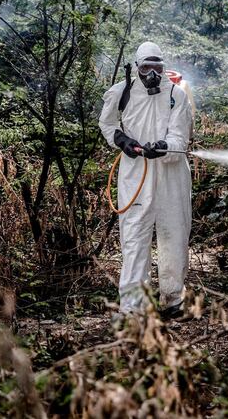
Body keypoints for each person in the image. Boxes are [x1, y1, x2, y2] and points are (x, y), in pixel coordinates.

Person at [98, 41, 193, 318]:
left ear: (163, 68)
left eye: (157, 67)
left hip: (171, 176)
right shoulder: (121, 92)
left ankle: (173, 299)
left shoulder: (177, 95)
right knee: (134, 238)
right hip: (134, 174)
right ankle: (133, 306)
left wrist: (164, 147)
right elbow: (107, 123)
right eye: (146, 67)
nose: (152, 73)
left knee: (174, 234)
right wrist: (122, 140)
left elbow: (179, 137)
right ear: (137, 67)